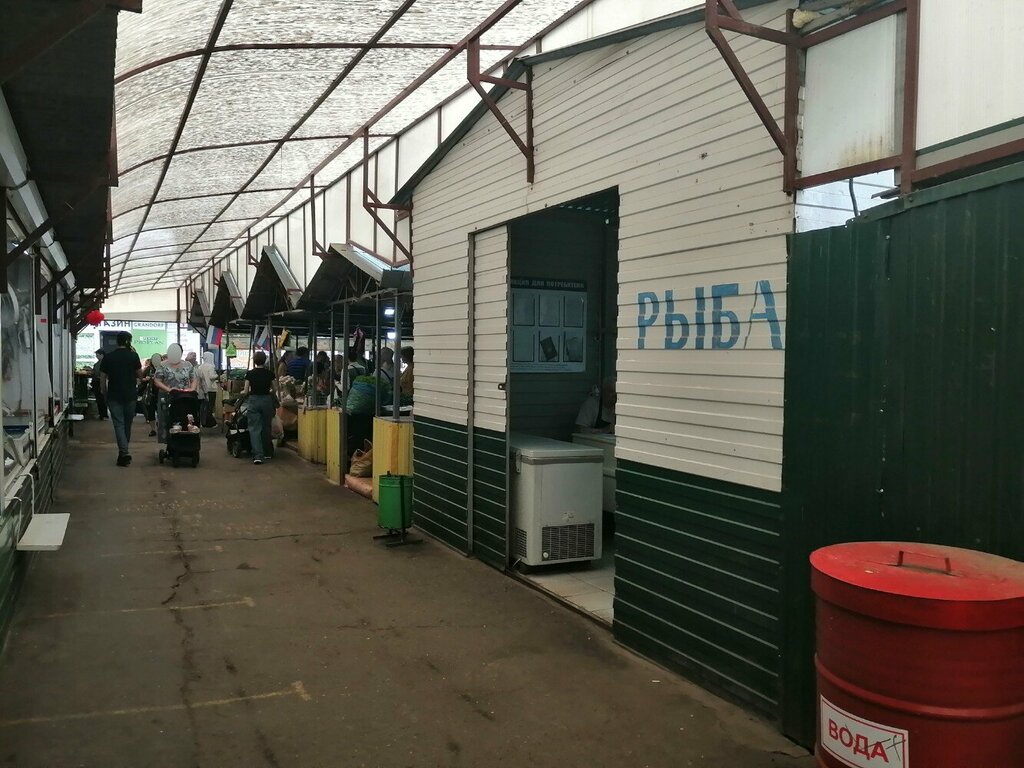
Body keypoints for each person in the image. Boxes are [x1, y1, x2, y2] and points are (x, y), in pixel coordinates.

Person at [99, 332, 142, 466]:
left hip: (114, 395)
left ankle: (124, 452)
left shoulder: (109, 357)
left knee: (119, 424)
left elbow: (102, 377)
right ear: (128, 341)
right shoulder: (133, 356)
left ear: (117, 341)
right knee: (127, 424)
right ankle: (124, 452)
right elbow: (140, 374)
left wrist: (104, 392)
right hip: (130, 395)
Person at [153, 343, 197, 443]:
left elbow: (194, 378)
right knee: (165, 419)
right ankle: (167, 441)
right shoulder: (163, 365)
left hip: (184, 396)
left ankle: (184, 440)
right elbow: (157, 381)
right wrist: (168, 389)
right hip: (167, 396)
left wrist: (192, 389)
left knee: (184, 417)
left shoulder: (187, 365)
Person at [242, 350, 275, 465]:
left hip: (254, 400)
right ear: (264, 360)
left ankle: (258, 455)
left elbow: (246, 390)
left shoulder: (249, 374)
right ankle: (267, 452)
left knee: (254, 428)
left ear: (254, 361)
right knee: (266, 427)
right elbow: (274, 389)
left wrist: (243, 392)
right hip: (266, 400)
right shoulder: (270, 373)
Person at [196, 351, 219, 427]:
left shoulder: (200, 367)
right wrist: (217, 375)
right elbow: (211, 377)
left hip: (203, 389)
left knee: (204, 406)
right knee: (210, 406)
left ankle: (203, 422)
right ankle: (209, 423)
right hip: (211, 388)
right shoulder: (211, 367)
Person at [142, 353, 162, 436]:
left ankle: (160, 427)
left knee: (161, 412)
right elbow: (141, 379)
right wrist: (146, 379)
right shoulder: (148, 369)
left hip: (161, 393)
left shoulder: (163, 369)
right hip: (151, 394)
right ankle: (153, 429)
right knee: (151, 412)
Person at [91, 349, 107, 420]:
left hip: (99, 382)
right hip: (96, 382)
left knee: (101, 399)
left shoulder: (103, 363)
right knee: (99, 399)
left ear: (102, 355)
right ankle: (101, 414)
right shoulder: (98, 363)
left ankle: (104, 415)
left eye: (97, 355)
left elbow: (100, 373)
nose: (96, 356)